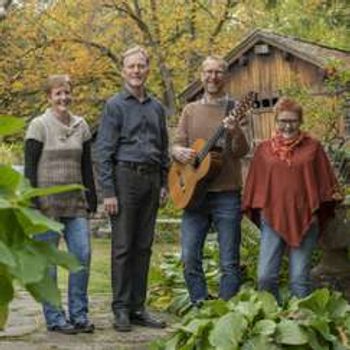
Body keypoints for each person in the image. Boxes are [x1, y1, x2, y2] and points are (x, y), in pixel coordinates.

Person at [96, 46, 169, 332]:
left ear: (147, 69)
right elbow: (103, 152)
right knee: (123, 247)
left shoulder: (157, 108)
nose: (137, 71)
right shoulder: (115, 105)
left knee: (143, 247)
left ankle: (139, 307)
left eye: (141, 66)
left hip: (151, 180)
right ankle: (121, 309)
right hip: (125, 178)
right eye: (131, 67)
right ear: (123, 71)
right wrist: (109, 192)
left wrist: (163, 183)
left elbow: (163, 149)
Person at [243, 97, 342, 303]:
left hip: (306, 219)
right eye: (283, 120)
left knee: (299, 279)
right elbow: (255, 185)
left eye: (293, 120)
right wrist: (261, 210)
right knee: (265, 276)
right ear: (276, 120)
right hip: (272, 218)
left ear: (300, 121)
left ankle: (301, 324)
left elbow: (325, 183)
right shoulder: (263, 150)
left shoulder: (313, 147)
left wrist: (317, 211)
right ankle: (273, 317)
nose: (288, 125)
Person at [172, 56, 250, 307]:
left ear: (225, 76)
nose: (213, 76)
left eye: (218, 72)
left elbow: (240, 151)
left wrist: (235, 131)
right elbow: (177, 144)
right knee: (189, 256)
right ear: (201, 75)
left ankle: (224, 311)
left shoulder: (235, 108)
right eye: (208, 72)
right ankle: (199, 305)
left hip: (226, 193)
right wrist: (176, 152)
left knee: (229, 261)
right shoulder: (190, 110)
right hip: (194, 195)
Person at [24, 75, 97, 334]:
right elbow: (30, 167)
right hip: (45, 207)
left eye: (67, 92)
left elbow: (86, 166)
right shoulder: (39, 125)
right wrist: (32, 200)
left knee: (82, 256)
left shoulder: (82, 125)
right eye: (58, 94)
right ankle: (55, 318)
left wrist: (92, 197)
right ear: (49, 97)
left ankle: (79, 315)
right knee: (49, 264)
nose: (63, 98)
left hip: (75, 204)